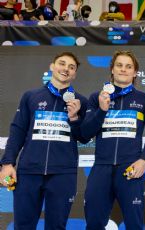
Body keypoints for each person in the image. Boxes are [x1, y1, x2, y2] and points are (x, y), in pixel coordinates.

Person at [0, 52, 88, 229]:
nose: (66, 69)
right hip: (29, 172)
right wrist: (8, 163)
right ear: (52, 66)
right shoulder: (30, 96)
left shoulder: (81, 102)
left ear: (75, 74)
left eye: (71, 67)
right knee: (23, 225)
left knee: (56, 226)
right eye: (62, 64)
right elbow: (18, 130)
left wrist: (74, 118)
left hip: (63, 174)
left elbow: (84, 137)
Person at [82, 50, 145, 230]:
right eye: (119, 65)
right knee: (93, 223)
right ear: (112, 70)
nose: (123, 70)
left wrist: (144, 160)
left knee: (134, 224)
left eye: (128, 66)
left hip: (130, 169)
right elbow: (85, 134)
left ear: (135, 72)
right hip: (101, 167)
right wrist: (101, 109)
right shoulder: (96, 97)